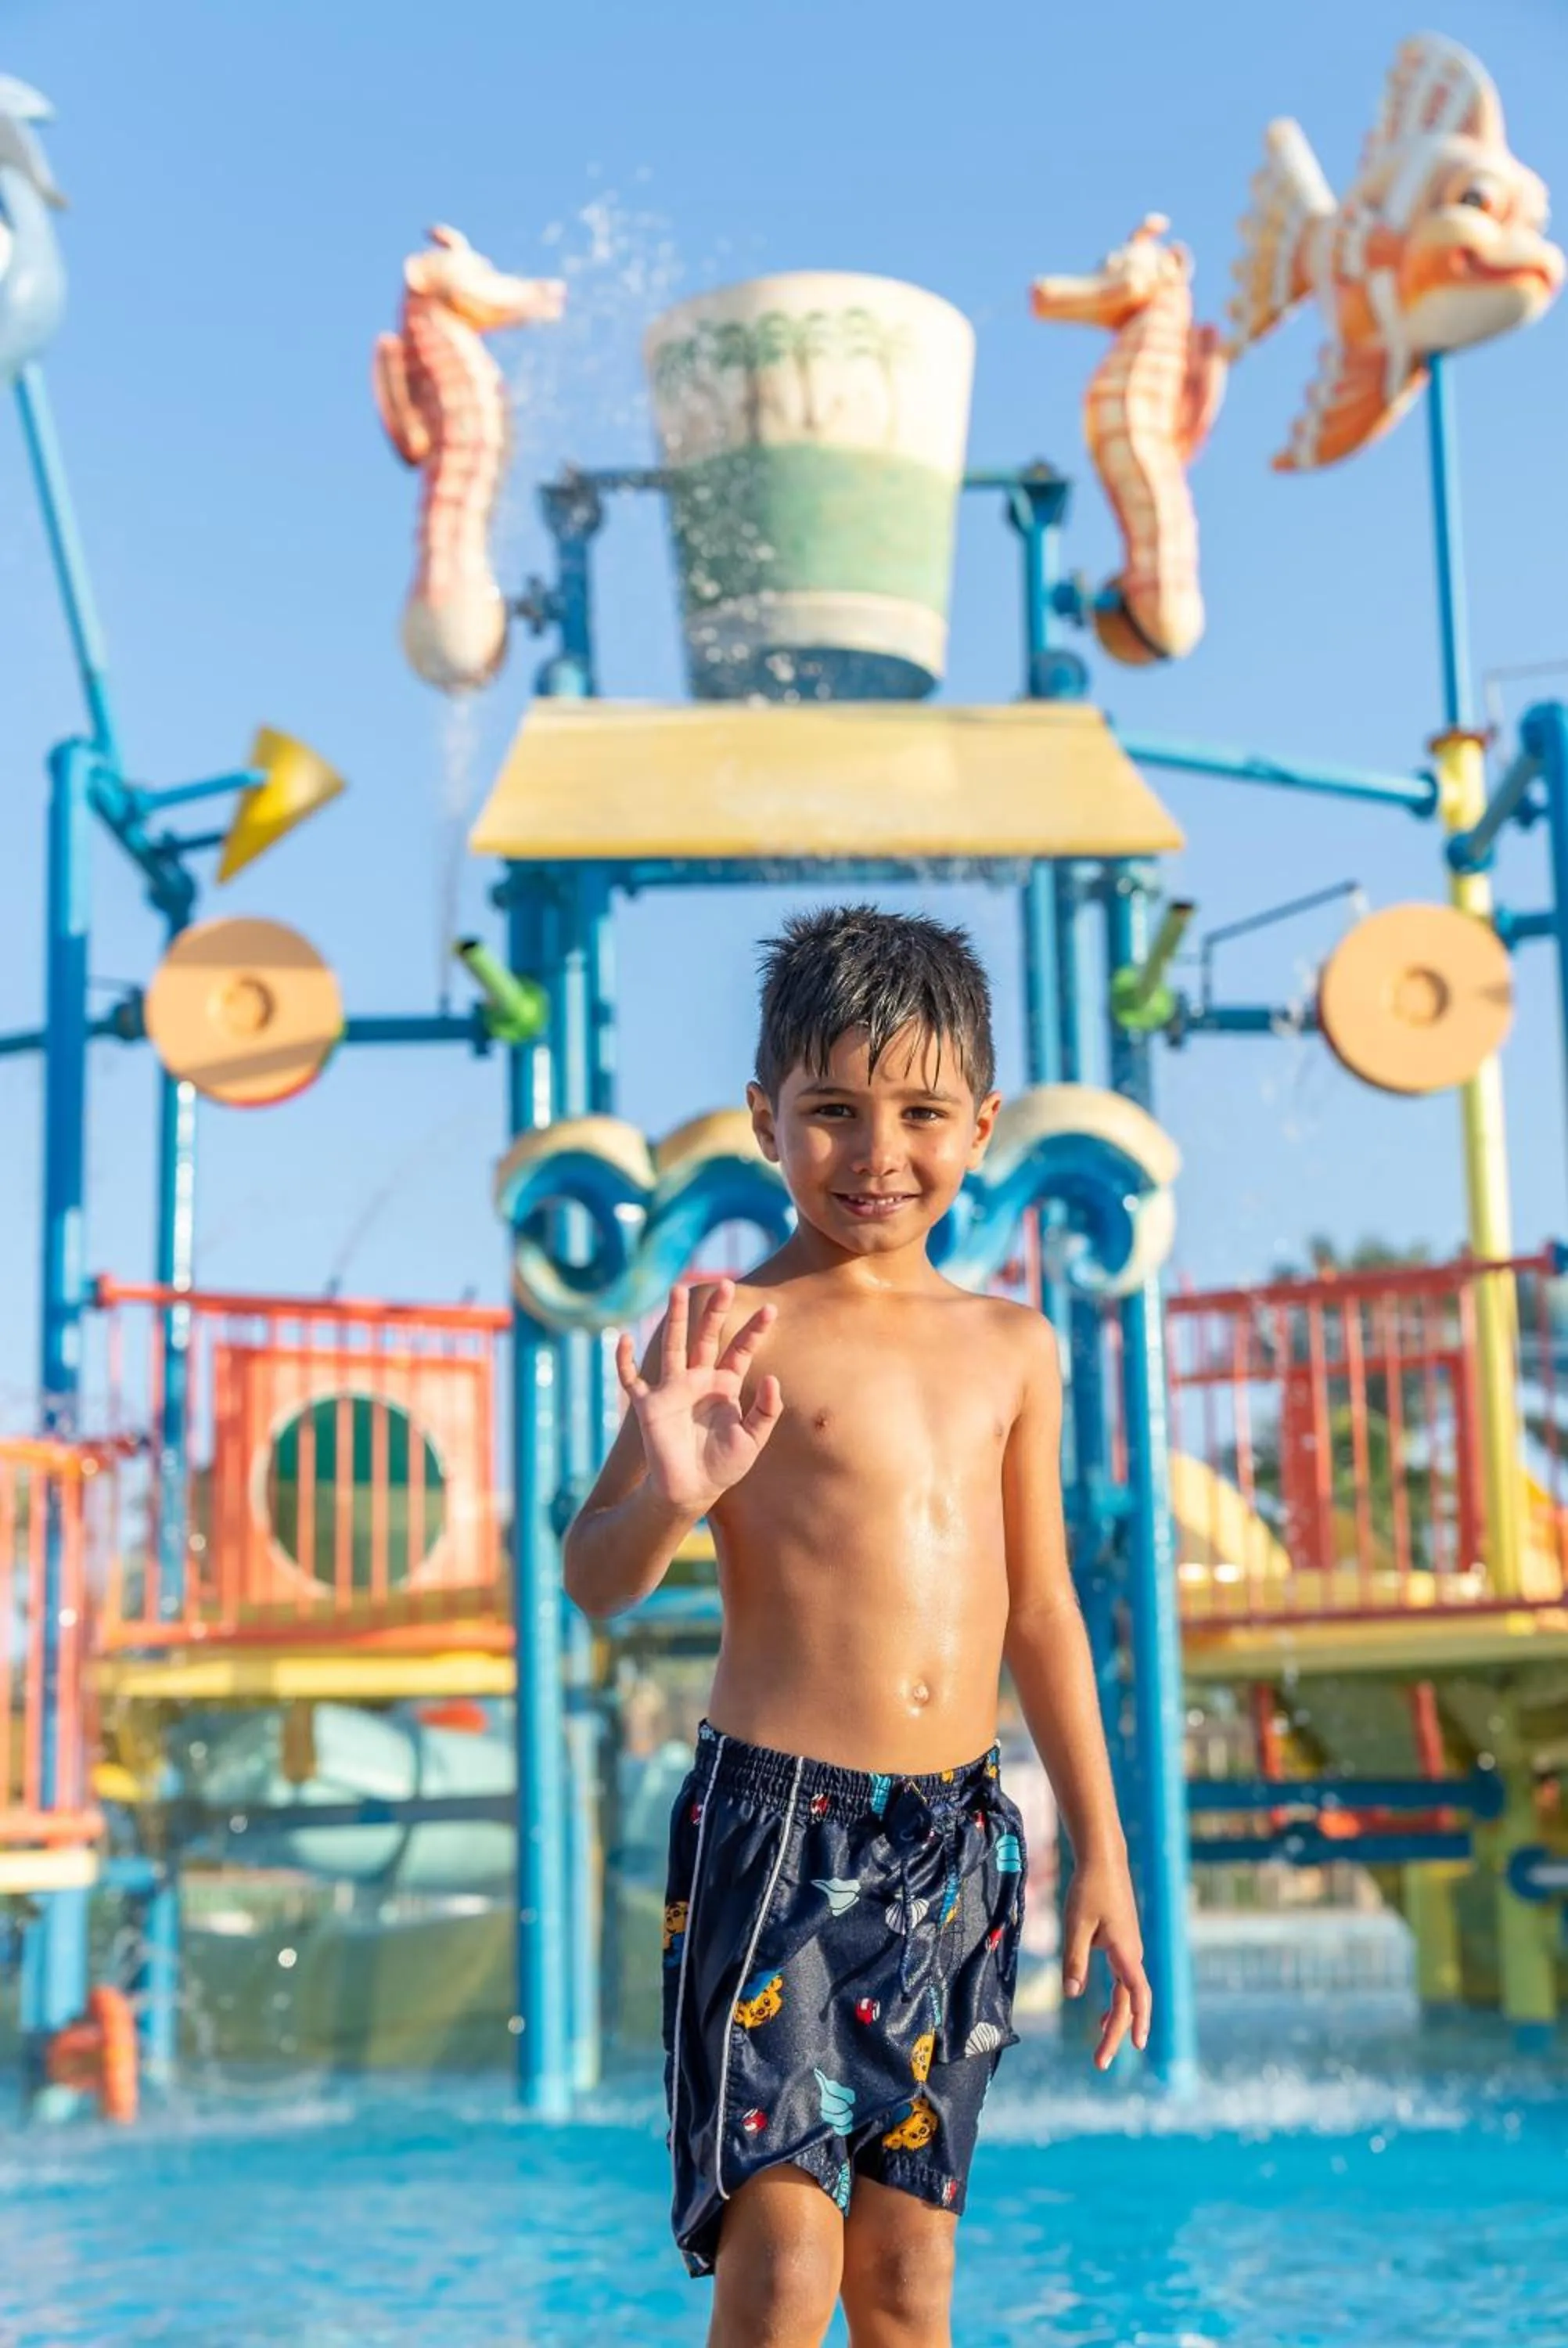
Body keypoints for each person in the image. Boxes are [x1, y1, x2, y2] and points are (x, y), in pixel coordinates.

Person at [564, 905, 1149, 2348]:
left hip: (956, 1838)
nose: (877, 1154)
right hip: (779, 1838)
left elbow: (1046, 1610)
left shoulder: (1013, 1346)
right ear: (766, 1118)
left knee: (906, 2289)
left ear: (984, 1122)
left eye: (920, 1113)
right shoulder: (720, 1333)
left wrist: (1104, 1855)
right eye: (830, 1112)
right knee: (782, 2275)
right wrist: (672, 1493)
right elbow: (593, 1576)